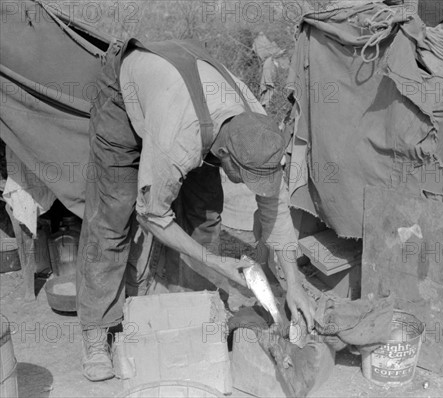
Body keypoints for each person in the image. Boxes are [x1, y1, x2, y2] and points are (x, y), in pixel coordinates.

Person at [76, 39, 315, 382]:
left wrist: (293, 283)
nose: (249, 187)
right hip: (125, 90)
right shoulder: (179, 140)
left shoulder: (258, 128)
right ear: (226, 157)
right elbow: (152, 214)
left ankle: (186, 303)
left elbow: (275, 211)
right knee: (113, 214)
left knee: (204, 212)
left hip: (188, 99)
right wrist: (217, 262)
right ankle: (97, 330)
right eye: (245, 178)